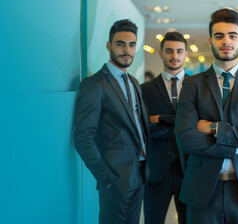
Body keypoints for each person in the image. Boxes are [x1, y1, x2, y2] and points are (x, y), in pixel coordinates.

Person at [174, 8, 238, 224]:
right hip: (201, 189)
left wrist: (214, 129)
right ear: (210, 40)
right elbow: (186, 139)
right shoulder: (192, 84)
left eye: (232, 35)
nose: (226, 41)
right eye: (219, 36)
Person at [74, 19, 149, 224]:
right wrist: (105, 178)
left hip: (140, 174)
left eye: (132, 44)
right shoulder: (94, 85)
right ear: (109, 46)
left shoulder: (134, 82)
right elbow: (83, 137)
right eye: (120, 44)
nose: (127, 50)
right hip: (115, 180)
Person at [140, 31, 188, 224]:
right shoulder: (144, 90)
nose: (174, 56)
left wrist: (159, 119)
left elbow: (197, 125)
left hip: (190, 169)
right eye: (169, 51)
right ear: (160, 53)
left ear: (186, 54)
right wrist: (182, 125)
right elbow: (144, 129)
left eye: (179, 51)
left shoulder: (198, 86)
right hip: (156, 170)